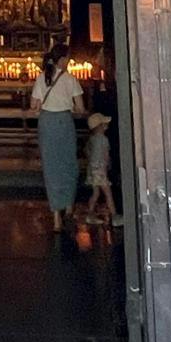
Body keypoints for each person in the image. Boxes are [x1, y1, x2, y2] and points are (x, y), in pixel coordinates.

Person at [30, 43, 84, 232]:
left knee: (51, 166)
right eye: (68, 58)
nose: (69, 61)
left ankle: (56, 218)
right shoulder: (71, 80)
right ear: (62, 60)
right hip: (64, 122)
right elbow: (81, 108)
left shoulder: (41, 79)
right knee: (68, 164)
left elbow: (34, 105)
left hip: (47, 123)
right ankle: (68, 208)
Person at [84, 111, 122, 227]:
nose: (107, 125)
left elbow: (87, 151)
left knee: (95, 193)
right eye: (104, 123)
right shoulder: (103, 139)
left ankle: (90, 215)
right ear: (100, 126)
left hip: (92, 169)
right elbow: (105, 155)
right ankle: (114, 216)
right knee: (108, 193)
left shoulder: (91, 139)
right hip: (100, 170)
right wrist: (107, 165)